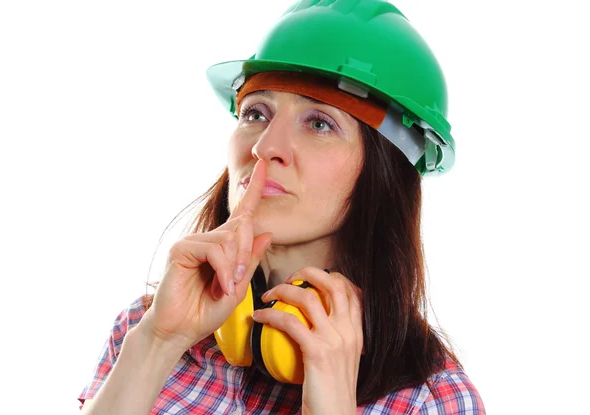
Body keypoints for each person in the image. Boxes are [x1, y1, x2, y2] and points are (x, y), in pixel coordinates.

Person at [78, 0, 485, 413]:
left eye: (320, 123)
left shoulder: (432, 399)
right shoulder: (146, 325)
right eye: (256, 112)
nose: (264, 146)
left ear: (383, 172)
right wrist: (157, 342)